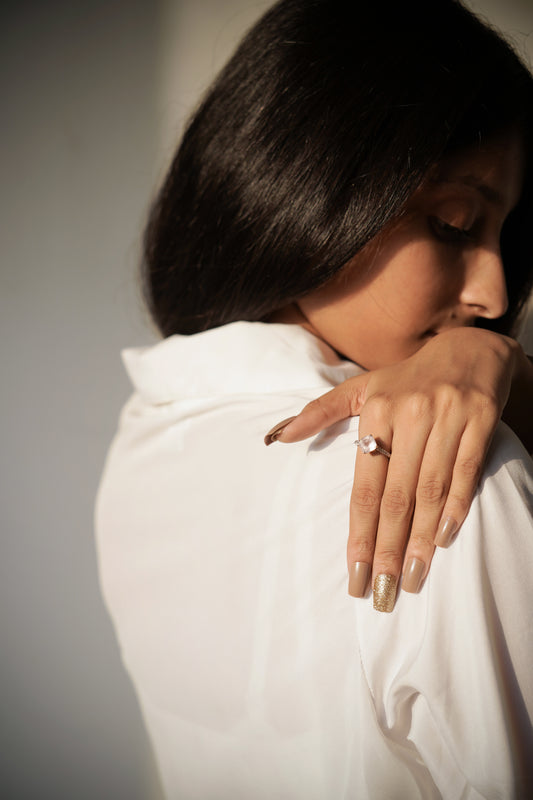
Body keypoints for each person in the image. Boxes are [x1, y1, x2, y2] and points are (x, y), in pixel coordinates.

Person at [96, 0, 533, 797]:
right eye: (452, 222)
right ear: (311, 190)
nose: (493, 290)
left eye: (503, 236)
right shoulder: (445, 487)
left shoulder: (145, 438)